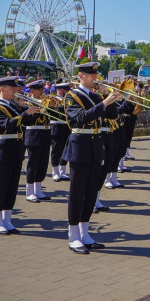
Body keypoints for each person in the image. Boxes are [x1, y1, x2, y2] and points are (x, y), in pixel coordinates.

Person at [62, 62, 121, 254]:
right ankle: (73, 236)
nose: (95, 78)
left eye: (95, 75)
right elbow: (80, 118)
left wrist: (109, 98)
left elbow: (113, 116)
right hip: (80, 145)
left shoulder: (96, 96)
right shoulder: (72, 96)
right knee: (77, 192)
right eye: (91, 75)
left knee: (91, 192)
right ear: (81, 76)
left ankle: (85, 233)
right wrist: (104, 103)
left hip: (95, 145)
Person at [0, 76, 39, 234]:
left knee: (12, 186)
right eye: (11, 88)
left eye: (15, 88)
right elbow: (5, 126)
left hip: (17, 147)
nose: (15, 91)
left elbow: (27, 123)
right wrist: (25, 114)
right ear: (2, 89)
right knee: (1, 185)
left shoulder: (14, 106)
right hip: (4, 147)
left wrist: (34, 112)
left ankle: (7, 219)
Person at [22, 80, 53, 202]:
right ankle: (29, 191)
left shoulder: (45, 101)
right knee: (33, 164)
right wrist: (41, 107)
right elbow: (29, 120)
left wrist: (53, 105)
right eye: (39, 90)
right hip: (33, 134)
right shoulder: (27, 103)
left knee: (43, 163)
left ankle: (38, 190)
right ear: (32, 91)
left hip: (45, 134)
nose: (42, 91)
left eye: (42, 89)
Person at [49, 81, 71, 182]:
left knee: (66, 149)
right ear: (61, 91)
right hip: (56, 127)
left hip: (67, 127)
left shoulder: (68, 100)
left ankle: (62, 171)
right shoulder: (52, 100)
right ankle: (55, 171)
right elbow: (54, 113)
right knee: (56, 150)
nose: (68, 92)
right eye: (66, 90)